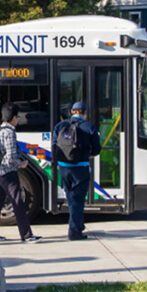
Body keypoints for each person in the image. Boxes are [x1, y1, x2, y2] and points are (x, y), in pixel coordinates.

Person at [0, 103, 41, 244]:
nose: (18, 119)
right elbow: (10, 157)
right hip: (8, 173)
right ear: (12, 118)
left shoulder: (0, 129)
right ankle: (26, 235)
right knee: (18, 202)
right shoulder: (10, 132)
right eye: (17, 116)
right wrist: (21, 164)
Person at [52, 101, 102, 240]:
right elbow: (97, 149)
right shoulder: (89, 127)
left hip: (64, 168)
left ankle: (78, 225)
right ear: (84, 113)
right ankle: (74, 232)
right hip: (80, 169)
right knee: (78, 200)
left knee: (71, 198)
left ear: (71, 112)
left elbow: (54, 146)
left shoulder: (60, 126)